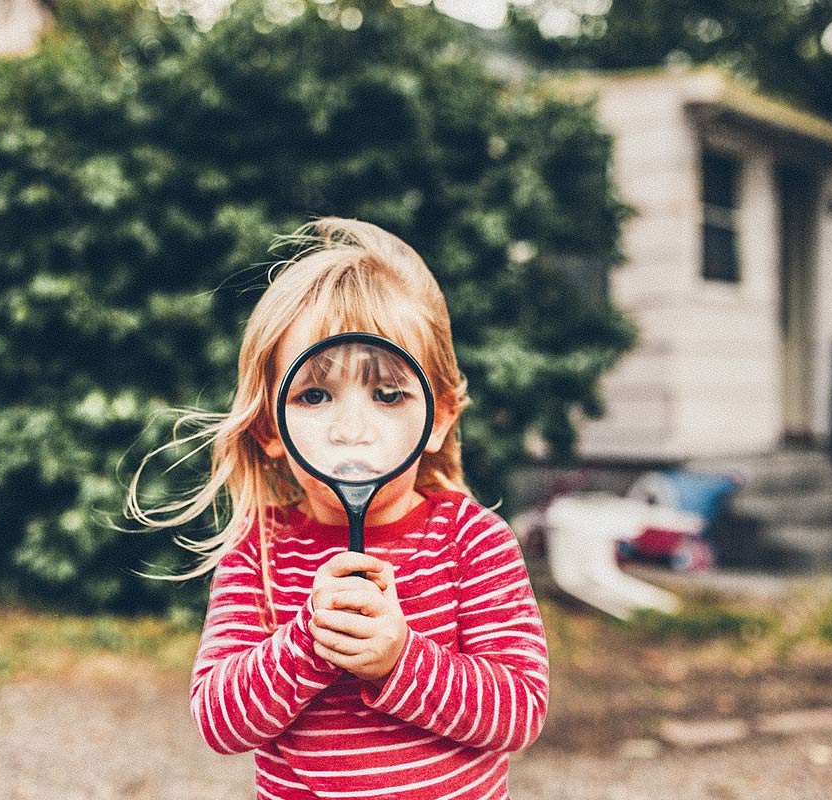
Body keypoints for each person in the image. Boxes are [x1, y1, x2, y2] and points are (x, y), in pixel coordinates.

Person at [127, 218, 548, 799]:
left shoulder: (472, 540)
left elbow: (519, 712)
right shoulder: (260, 551)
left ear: (439, 416)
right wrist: (306, 642)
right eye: (315, 395)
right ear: (271, 427)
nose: (352, 429)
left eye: (389, 394)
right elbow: (219, 723)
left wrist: (400, 659)